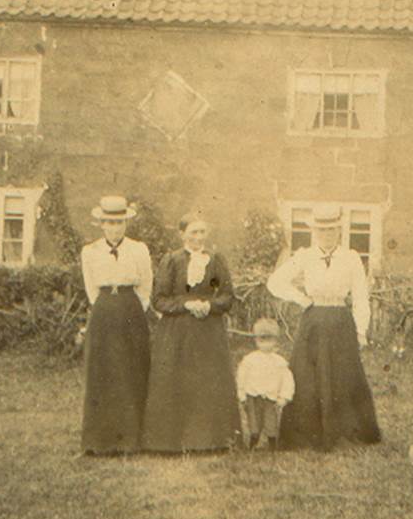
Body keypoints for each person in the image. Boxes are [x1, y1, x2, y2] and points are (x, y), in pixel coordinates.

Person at [266, 204, 381, 450]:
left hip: (341, 320)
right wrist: (302, 299)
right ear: (315, 232)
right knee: (307, 375)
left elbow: (361, 296)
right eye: (322, 230)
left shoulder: (351, 258)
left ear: (340, 231)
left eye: (332, 230)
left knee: (343, 374)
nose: (327, 235)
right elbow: (275, 282)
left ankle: (345, 430)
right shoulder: (306, 256)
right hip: (314, 320)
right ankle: (307, 432)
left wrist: (361, 330)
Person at [140, 212, 241, 453]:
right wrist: (185, 305)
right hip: (178, 333)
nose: (198, 237)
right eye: (193, 232)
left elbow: (227, 296)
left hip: (209, 332)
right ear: (182, 234)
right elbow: (159, 300)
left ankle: (211, 441)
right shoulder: (172, 260)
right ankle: (170, 442)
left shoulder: (215, 260)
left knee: (208, 381)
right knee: (176, 381)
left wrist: (209, 306)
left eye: (202, 232)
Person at [80, 195, 154, 455]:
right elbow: (90, 288)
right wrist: (104, 308)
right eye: (110, 223)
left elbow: (146, 285)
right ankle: (99, 441)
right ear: (101, 224)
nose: (115, 228)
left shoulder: (139, 249)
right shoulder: (90, 251)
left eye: (120, 222)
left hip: (130, 308)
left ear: (126, 223)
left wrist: (133, 308)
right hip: (103, 311)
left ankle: (130, 440)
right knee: (102, 372)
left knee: (131, 369)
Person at [235, 318, 295, 451]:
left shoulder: (279, 362)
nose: (265, 345)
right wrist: (242, 393)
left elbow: (287, 381)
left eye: (270, 340)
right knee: (254, 423)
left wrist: (284, 397)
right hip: (253, 397)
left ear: (275, 341)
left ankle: (272, 445)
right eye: (262, 341)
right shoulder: (250, 360)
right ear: (256, 341)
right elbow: (242, 377)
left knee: (271, 423)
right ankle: (252, 443)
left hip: (270, 399)